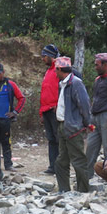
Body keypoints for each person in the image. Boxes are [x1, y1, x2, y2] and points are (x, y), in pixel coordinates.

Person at [53, 57, 93, 193]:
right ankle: (65, 191)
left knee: (78, 160)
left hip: (73, 128)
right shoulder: (63, 84)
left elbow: (85, 105)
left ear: (59, 69)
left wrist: (88, 124)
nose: (54, 72)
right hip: (63, 126)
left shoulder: (76, 83)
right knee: (61, 161)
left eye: (55, 69)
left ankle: (83, 192)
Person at [38, 44, 61, 174]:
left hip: (55, 110)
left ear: (51, 56)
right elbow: (44, 93)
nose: (42, 59)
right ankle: (53, 167)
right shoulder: (48, 72)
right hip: (46, 110)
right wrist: (41, 112)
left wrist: (59, 106)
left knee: (59, 139)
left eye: (44, 56)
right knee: (51, 139)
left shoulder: (59, 69)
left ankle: (60, 167)